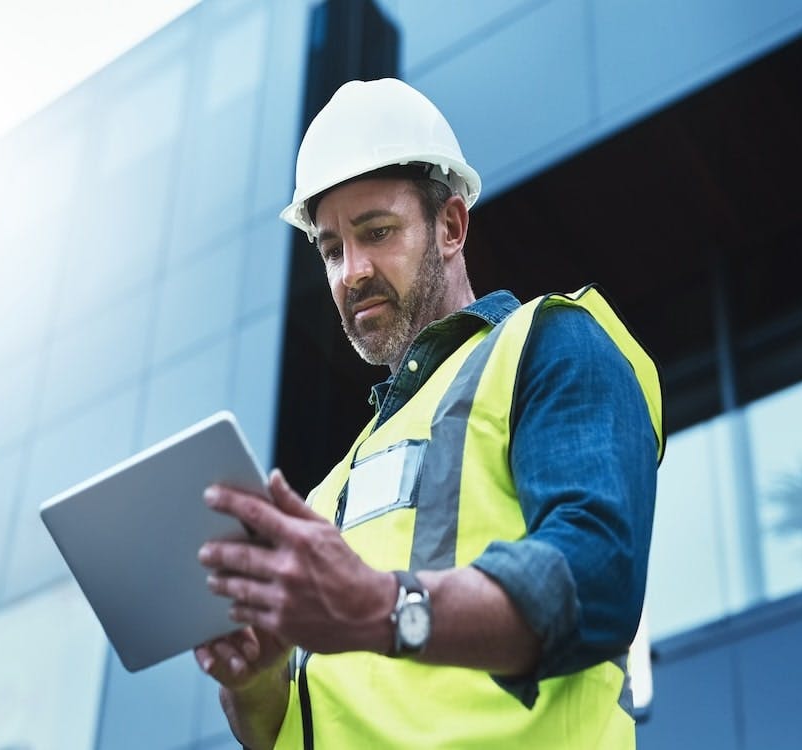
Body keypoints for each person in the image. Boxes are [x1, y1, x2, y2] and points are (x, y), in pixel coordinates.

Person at [193, 78, 663, 748]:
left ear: (450, 225)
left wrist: (383, 608)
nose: (351, 271)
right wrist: (255, 684)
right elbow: (288, 733)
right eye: (330, 248)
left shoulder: (549, 344)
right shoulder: (326, 498)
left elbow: (598, 577)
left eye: (376, 232)